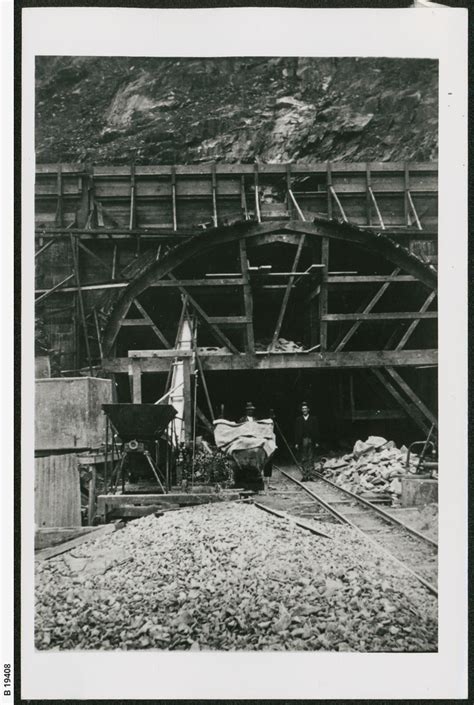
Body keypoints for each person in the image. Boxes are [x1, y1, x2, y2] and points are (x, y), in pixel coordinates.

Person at [294, 402, 320, 477]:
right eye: (303, 409)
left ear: (308, 409)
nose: (304, 410)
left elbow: (316, 430)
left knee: (311, 456)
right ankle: (305, 472)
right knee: (303, 456)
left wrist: (317, 441)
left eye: (305, 409)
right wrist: (296, 443)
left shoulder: (313, 419)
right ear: (301, 410)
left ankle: (311, 472)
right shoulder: (298, 419)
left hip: (311, 439)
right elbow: (297, 432)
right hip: (303, 440)